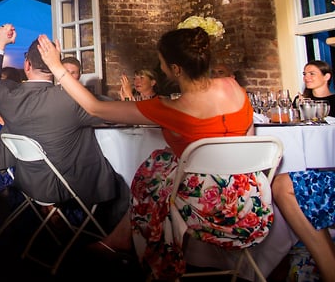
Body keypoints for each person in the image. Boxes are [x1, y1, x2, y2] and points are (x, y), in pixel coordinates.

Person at [37, 28, 270, 281]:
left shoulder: (168, 107)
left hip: (206, 208)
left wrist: (56, 67)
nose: (160, 69)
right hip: (252, 201)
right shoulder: (233, 86)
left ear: (176, 69)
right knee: (162, 161)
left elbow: (96, 107)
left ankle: (138, 247)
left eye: (161, 64)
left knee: (156, 169)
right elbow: (246, 137)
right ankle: (121, 238)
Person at [0, 27, 129, 231]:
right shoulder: (71, 99)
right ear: (55, 65)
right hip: (70, 183)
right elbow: (111, 111)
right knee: (126, 184)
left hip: (28, 183)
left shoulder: (7, 96)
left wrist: (0, 45)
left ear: (27, 65)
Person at [271, 60, 335, 282]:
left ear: (327, 76)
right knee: (279, 184)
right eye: (305, 73)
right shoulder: (300, 101)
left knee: (281, 185)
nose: (307, 77)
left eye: (312, 73)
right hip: (312, 163)